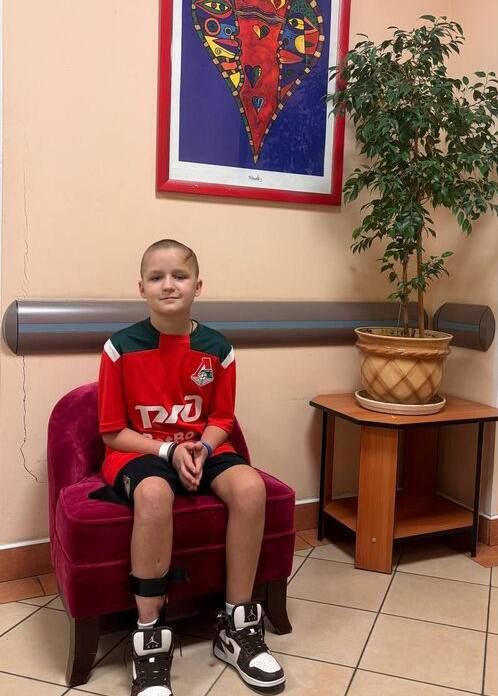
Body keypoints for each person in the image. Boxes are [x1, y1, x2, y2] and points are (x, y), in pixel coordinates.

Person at [97, 239, 285, 696]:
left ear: (198, 286)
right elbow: (112, 433)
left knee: (250, 487)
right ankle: (149, 639)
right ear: (141, 287)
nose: (168, 285)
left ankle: (237, 625)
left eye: (179, 276)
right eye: (157, 277)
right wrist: (167, 452)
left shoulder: (218, 349)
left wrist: (201, 446)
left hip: (202, 447)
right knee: (154, 493)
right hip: (139, 451)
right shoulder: (119, 348)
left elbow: (222, 419)